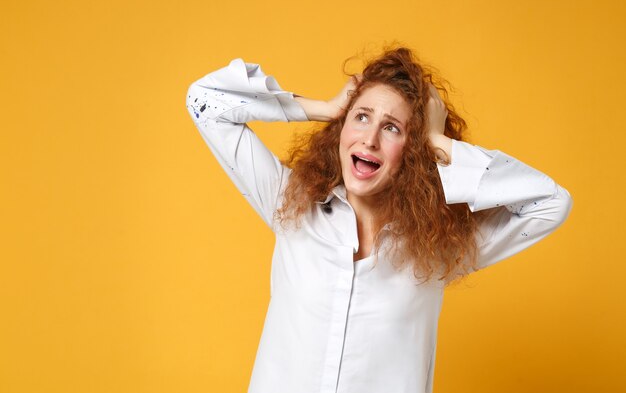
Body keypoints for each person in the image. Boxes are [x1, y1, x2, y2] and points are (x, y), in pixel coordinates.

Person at [184, 46, 573, 393]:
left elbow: (551, 202)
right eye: (361, 117)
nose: (369, 139)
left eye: (391, 128)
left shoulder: (437, 247)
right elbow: (205, 100)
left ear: (413, 149)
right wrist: (327, 108)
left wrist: (439, 144)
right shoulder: (292, 204)